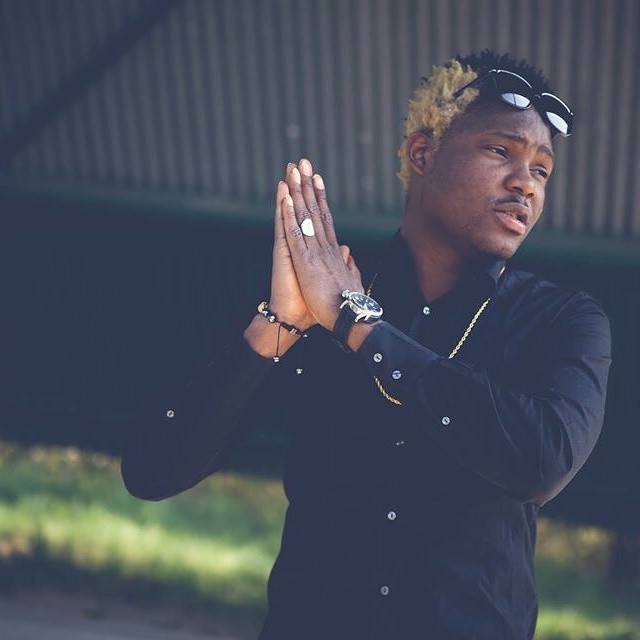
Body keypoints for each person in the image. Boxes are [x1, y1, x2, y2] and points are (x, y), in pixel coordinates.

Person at [121, 50, 612, 639]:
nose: (525, 183)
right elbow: (152, 470)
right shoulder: (318, 290)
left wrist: (359, 328)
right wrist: (278, 324)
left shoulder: (563, 321)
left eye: (541, 170)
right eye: (500, 151)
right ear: (423, 154)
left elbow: (540, 462)